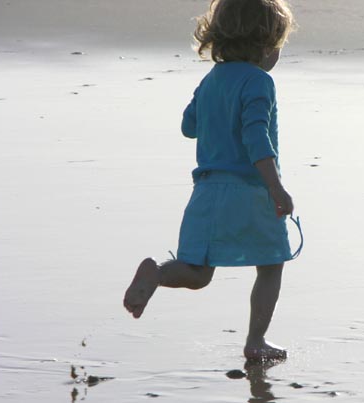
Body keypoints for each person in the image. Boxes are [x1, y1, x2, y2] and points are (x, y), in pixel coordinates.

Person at [123, 0, 296, 361]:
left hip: (205, 191)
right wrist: (275, 186)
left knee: (198, 273)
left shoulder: (210, 80)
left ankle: (157, 275)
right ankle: (256, 341)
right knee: (270, 265)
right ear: (265, 45)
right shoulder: (259, 81)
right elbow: (255, 138)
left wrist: (216, 110)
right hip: (250, 190)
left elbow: (189, 126)